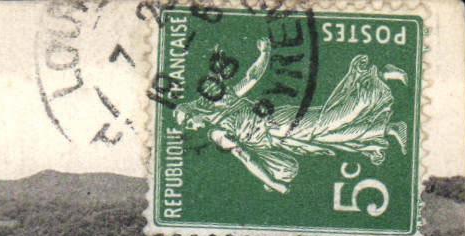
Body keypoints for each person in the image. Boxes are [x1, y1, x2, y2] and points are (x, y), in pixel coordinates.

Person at [172, 39, 409, 194]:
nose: (192, 128)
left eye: (188, 122)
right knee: (330, 137)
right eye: (188, 128)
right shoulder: (215, 121)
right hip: (280, 138)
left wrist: (265, 53)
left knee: (332, 121)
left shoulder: (220, 111)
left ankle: (380, 76)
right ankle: (388, 129)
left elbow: (251, 79)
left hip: (279, 124)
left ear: (192, 111)